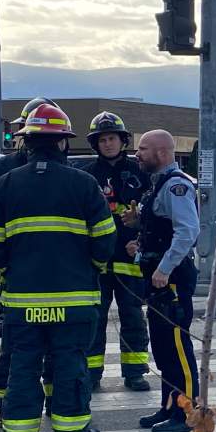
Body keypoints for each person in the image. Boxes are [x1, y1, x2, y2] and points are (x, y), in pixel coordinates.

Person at [0, 103, 116, 432]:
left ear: (27, 141)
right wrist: (93, 269)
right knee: (70, 361)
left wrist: (11, 269)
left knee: (23, 363)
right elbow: (105, 240)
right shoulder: (84, 184)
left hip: (23, 300)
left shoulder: (7, 183)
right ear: (63, 143)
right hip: (74, 299)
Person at [0, 97, 58, 409]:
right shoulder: (3, 169)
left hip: (54, 276)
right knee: (14, 342)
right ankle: (3, 395)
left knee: (55, 346)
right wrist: (6, 262)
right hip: (15, 276)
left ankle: (57, 400)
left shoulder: (63, 169)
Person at [128, 129, 200, 432]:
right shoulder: (157, 184)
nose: (137, 154)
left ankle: (188, 414)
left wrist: (164, 268)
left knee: (177, 348)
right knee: (162, 347)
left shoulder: (176, 186)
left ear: (161, 153)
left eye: (142, 149)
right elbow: (163, 228)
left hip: (171, 280)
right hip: (158, 281)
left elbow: (187, 231)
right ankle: (170, 406)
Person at [79, 112, 151, 391]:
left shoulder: (140, 173)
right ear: (95, 144)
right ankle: (91, 373)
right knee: (93, 319)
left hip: (130, 260)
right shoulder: (85, 176)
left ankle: (134, 372)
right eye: (102, 140)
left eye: (112, 138)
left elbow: (154, 214)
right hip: (94, 262)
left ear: (123, 141)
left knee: (132, 316)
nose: (108, 144)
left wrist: (142, 242)